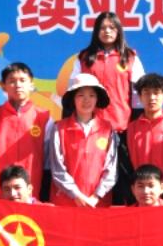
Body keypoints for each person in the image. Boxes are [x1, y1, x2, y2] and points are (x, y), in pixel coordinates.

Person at [47, 74, 119, 207]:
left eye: (92, 95)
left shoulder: (107, 129)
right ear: (73, 99)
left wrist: (96, 197)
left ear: (97, 99)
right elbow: (57, 168)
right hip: (65, 202)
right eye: (81, 95)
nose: (87, 100)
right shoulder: (59, 128)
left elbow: (111, 168)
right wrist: (76, 195)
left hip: (97, 204)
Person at [0, 62, 51, 198]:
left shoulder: (44, 117)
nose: (18, 85)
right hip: (1, 194)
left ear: (31, 84)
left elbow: (48, 161)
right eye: (12, 81)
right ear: (3, 85)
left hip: (33, 194)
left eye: (22, 80)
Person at [120, 73, 163, 205]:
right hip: (138, 200)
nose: (151, 97)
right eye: (146, 93)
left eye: (156, 93)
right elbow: (125, 167)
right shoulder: (130, 130)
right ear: (140, 97)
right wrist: (133, 195)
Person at [75, 12, 145, 131]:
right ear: (96, 31)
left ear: (119, 31)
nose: (107, 31)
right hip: (89, 126)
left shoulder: (130, 57)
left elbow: (138, 93)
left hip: (121, 126)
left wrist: (136, 122)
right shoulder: (84, 58)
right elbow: (73, 90)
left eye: (112, 28)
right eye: (102, 28)